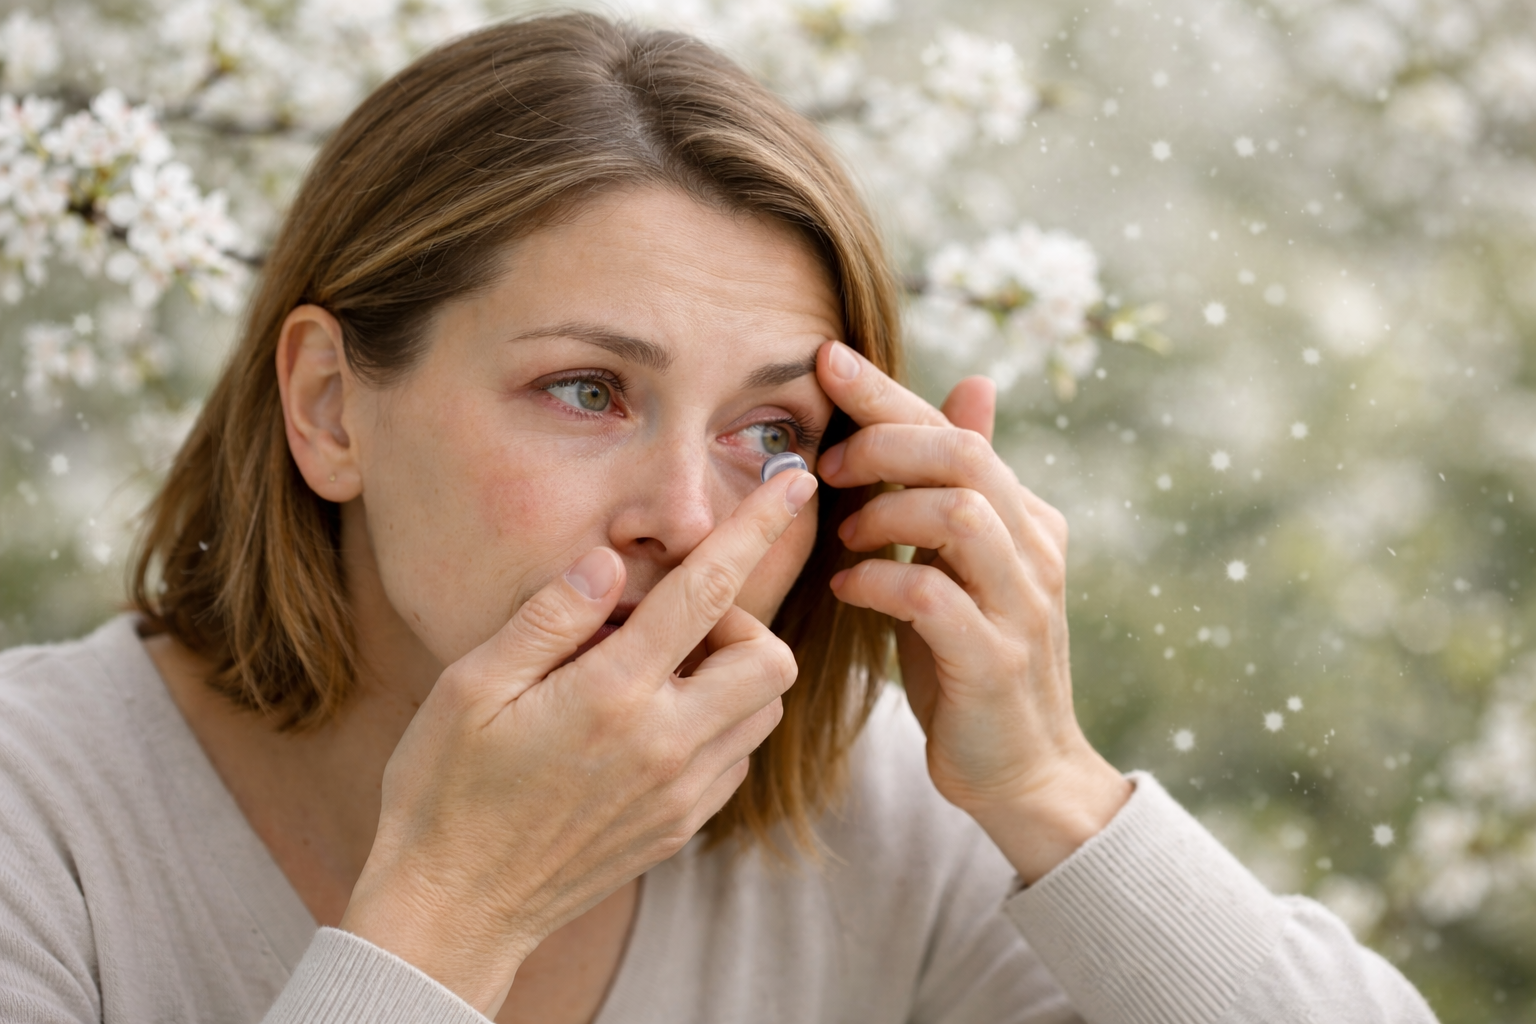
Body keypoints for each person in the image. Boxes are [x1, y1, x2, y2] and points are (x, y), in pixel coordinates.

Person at [0, 13, 1438, 1024]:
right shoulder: (40, 820)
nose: (689, 520)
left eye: (772, 434)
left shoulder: (867, 822)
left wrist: (1050, 786)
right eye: (585, 390)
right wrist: (452, 913)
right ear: (329, 407)